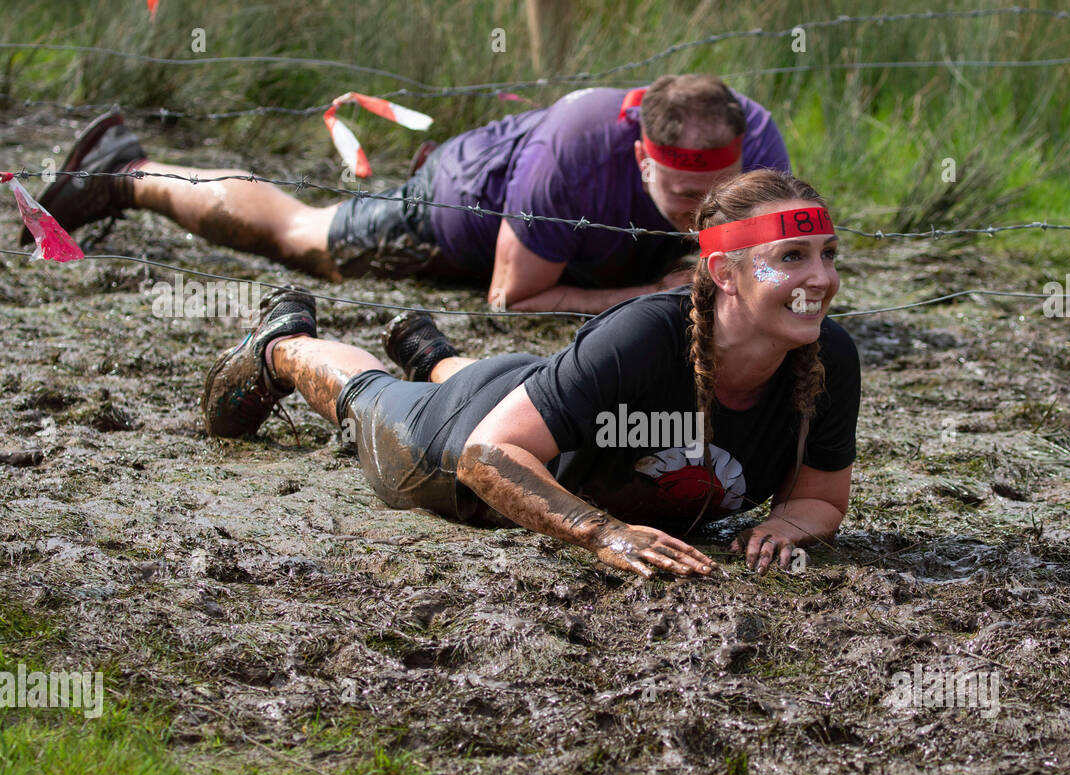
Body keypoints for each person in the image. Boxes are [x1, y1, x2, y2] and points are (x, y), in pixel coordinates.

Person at [200, 169, 859, 577]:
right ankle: (286, 343)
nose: (821, 280)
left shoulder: (831, 356)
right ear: (724, 273)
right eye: (792, 256)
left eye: (828, 255)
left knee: (518, 389)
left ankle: (432, 354)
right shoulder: (643, 336)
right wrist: (605, 535)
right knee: (370, 396)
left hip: (532, 393)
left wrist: (784, 528)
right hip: (451, 444)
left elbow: (821, 500)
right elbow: (487, 454)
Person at [21, 74, 790, 315]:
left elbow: (780, 267)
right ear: (640, 158)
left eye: (718, 190)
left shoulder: (758, 145)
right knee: (302, 239)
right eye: (685, 194)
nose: (703, 211)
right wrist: (650, 292)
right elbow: (512, 302)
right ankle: (129, 173)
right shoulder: (581, 146)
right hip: (467, 209)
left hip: (596, 253)